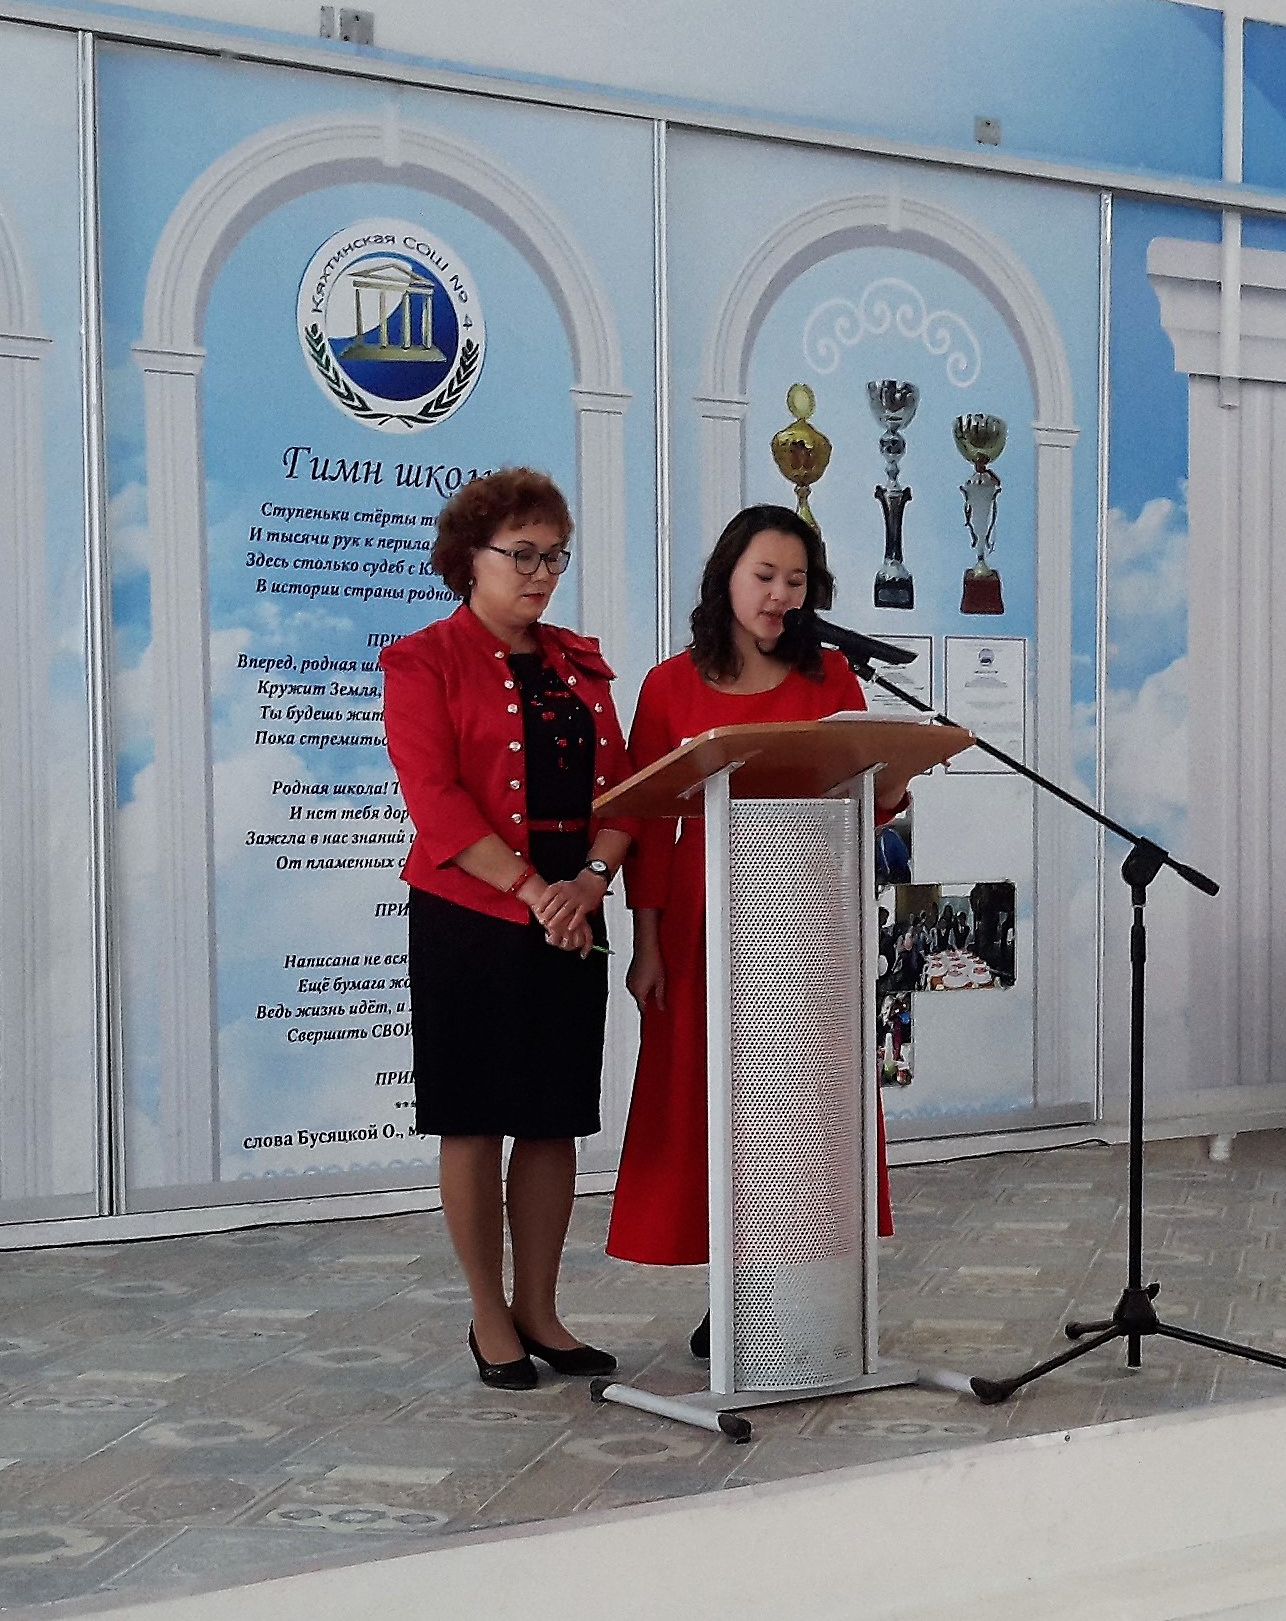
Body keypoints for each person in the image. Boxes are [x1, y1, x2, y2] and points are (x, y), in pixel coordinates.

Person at [610, 505, 904, 1353]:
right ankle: (733, 1288)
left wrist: (895, 779)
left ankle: (788, 1283)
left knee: (799, 1104)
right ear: (726, 579)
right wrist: (648, 942)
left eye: (796, 580)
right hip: (706, 915)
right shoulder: (669, 684)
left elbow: (866, 795)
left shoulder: (832, 676)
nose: (780, 594)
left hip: (806, 910)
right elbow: (647, 822)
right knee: (719, 1101)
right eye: (764, 576)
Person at [381, 467, 636, 1391]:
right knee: (474, 1118)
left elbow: (627, 788)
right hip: (472, 915)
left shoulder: (580, 662)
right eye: (522, 554)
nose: (541, 574)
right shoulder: (422, 661)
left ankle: (541, 1308)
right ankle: (489, 1314)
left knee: (553, 1117)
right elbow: (437, 805)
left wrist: (592, 881)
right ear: (469, 557)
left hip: (575, 908)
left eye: (555, 556)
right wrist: (537, 892)